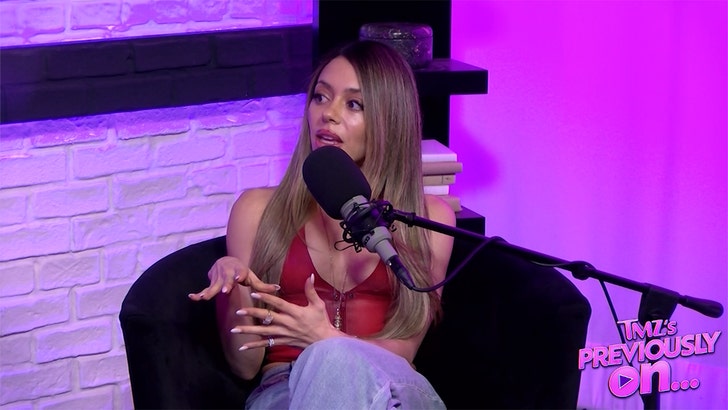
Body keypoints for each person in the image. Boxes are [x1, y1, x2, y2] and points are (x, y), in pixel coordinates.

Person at [188, 40, 455, 409]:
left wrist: (327, 340)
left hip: (391, 387)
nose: (328, 114)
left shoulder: (430, 220)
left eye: (354, 104)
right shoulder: (257, 210)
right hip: (286, 389)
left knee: (332, 358)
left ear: (389, 120)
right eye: (320, 97)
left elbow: (406, 348)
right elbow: (244, 366)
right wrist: (231, 287)